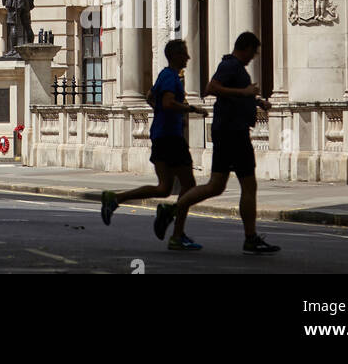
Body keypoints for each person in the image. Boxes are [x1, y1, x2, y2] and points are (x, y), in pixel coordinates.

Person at [168, 31, 281, 255]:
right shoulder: (230, 65)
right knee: (248, 185)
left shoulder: (235, 68)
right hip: (233, 132)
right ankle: (250, 239)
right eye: (253, 52)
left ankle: (171, 209)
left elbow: (232, 95)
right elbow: (211, 88)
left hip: (229, 131)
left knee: (216, 186)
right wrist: (245, 91)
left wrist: (256, 100)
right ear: (246, 48)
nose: (253, 57)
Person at [100, 39, 206, 250]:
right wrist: (190, 109)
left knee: (164, 187)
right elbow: (167, 103)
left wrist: (161, 112)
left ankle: (116, 198)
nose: (188, 57)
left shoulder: (164, 76)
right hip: (171, 138)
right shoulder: (170, 77)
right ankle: (176, 233)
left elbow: (150, 97)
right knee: (189, 186)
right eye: (184, 53)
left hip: (160, 135)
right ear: (175, 55)